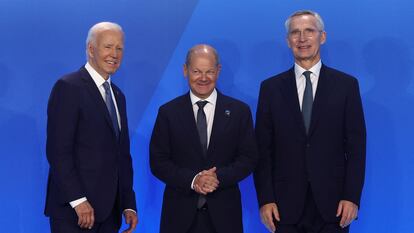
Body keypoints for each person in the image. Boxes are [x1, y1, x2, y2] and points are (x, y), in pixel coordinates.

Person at [254, 10, 366, 233]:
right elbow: (262, 151)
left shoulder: (346, 86)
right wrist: (265, 199)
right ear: (288, 41)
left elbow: (356, 148)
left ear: (322, 37)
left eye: (309, 31)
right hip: (284, 208)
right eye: (295, 33)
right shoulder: (270, 88)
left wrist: (351, 197)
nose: (302, 38)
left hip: (334, 207)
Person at [150, 44, 258, 233]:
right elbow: (158, 162)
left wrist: (217, 178)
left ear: (218, 71)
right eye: (197, 71)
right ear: (185, 70)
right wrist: (193, 180)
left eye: (209, 71)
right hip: (179, 218)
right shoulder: (168, 112)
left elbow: (248, 158)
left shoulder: (239, 112)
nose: (203, 78)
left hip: (225, 218)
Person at [45, 22, 138, 233]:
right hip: (74, 214)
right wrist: (78, 200)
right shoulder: (68, 87)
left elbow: (122, 156)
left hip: (109, 214)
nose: (114, 54)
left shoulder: (118, 96)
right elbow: (58, 152)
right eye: (108, 46)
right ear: (90, 49)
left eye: (119, 48)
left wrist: (128, 203)